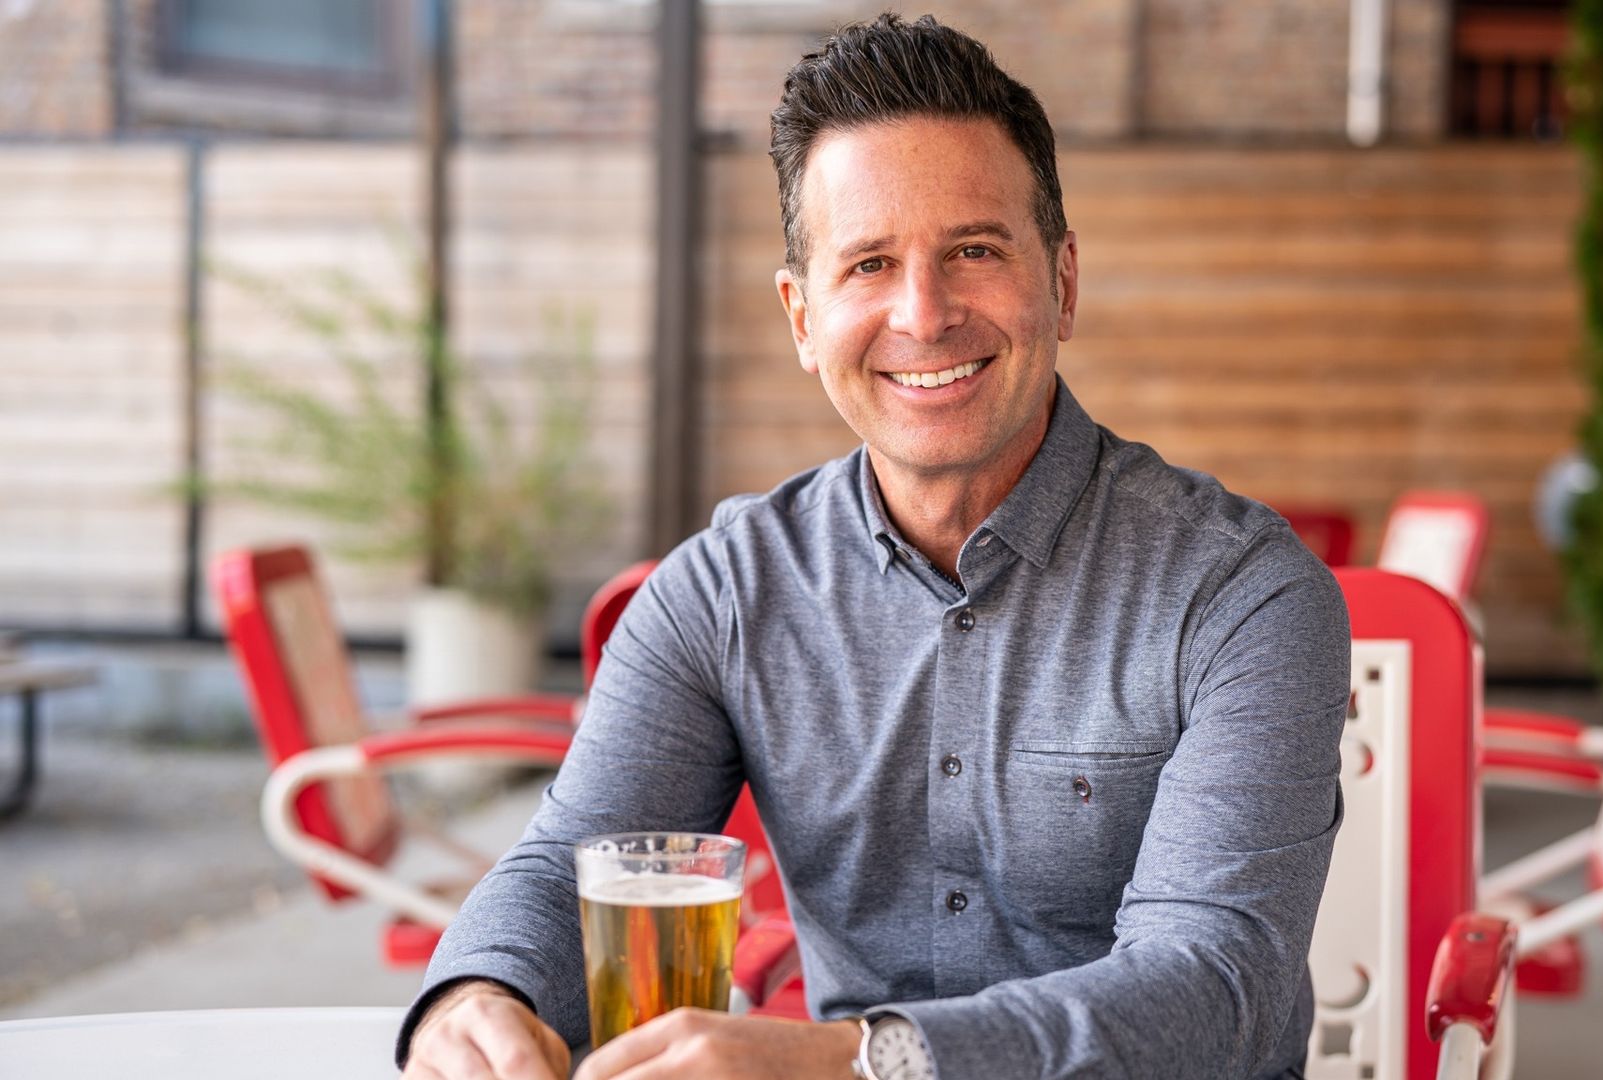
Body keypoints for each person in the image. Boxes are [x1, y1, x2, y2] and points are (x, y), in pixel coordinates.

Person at [399, 13, 1347, 1080]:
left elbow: (1214, 987)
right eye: (869, 264)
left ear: (1063, 282)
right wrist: (478, 996)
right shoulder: (721, 593)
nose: (924, 314)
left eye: (974, 251)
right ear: (803, 318)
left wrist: (861, 1060)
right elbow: (569, 866)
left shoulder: (1242, 592)